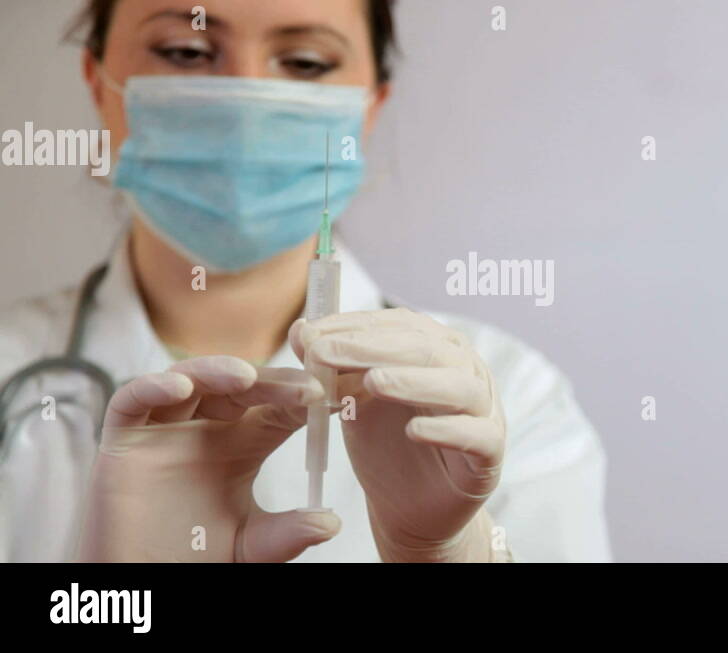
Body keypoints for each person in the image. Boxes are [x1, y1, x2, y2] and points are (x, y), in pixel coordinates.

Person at [0, 0, 611, 562]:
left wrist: (448, 554)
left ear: (370, 106)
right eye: (185, 51)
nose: (247, 97)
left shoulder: (514, 399)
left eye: (305, 61)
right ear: (97, 81)